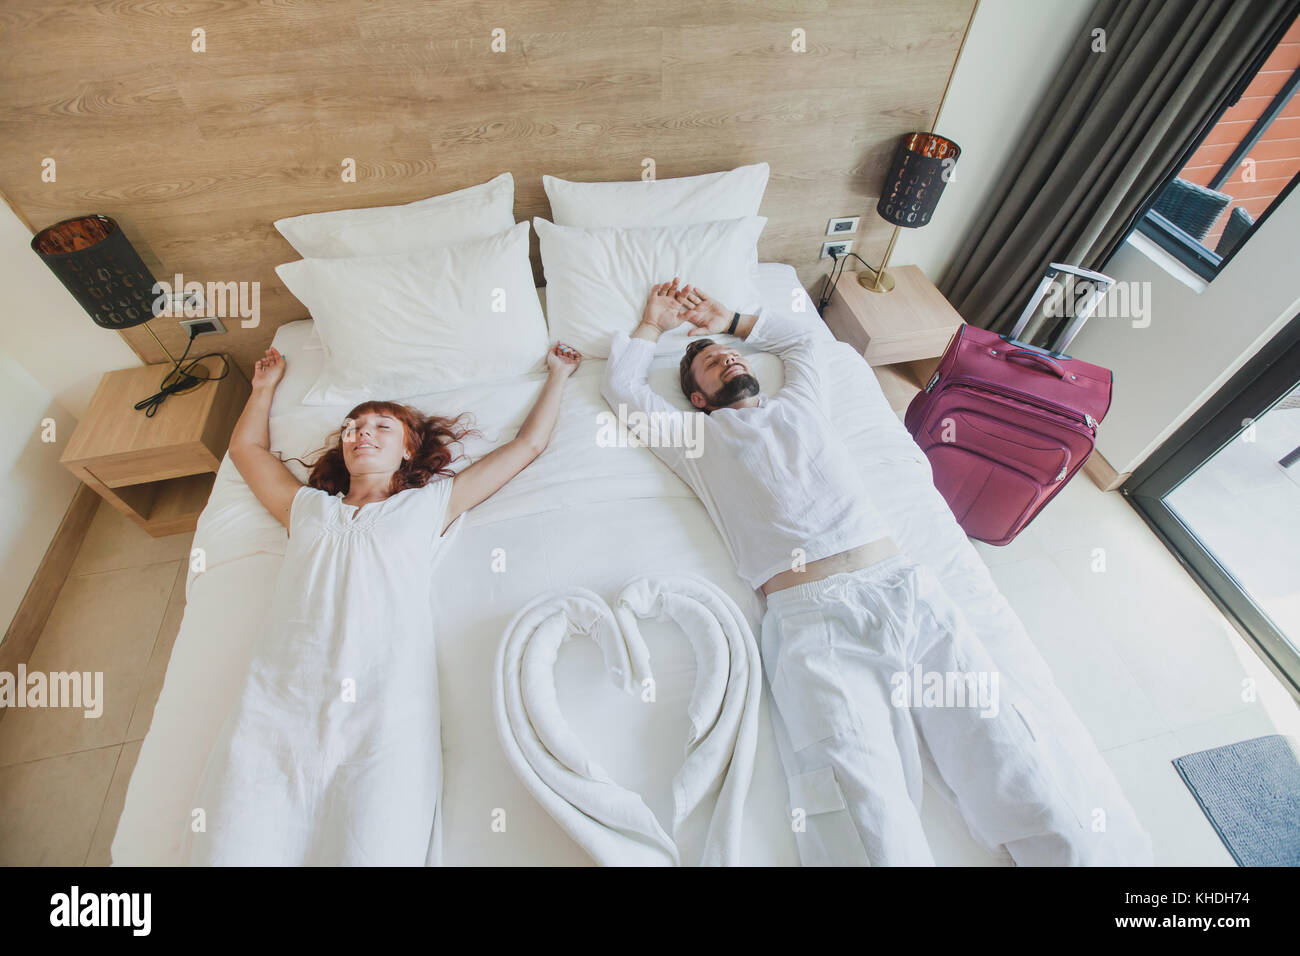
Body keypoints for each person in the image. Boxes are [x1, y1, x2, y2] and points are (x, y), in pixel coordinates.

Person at [600, 278, 1152, 866]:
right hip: (812, 624)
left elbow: (803, 343)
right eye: (710, 364)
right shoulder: (695, 439)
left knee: (1003, 755)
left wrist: (731, 318)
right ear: (699, 398)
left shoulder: (802, 403)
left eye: (728, 353)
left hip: (902, 588)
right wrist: (652, 324)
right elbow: (623, 387)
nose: (726, 357)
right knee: (862, 803)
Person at [188, 340, 582, 865]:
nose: (361, 434)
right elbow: (248, 453)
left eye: (380, 426)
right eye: (352, 427)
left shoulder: (430, 504)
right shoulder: (305, 508)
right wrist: (262, 390)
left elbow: (528, 445)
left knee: (374, 843)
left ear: (407, 450)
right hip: (281, 696)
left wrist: (557, 375)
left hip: (385, 702)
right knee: (236, 840)